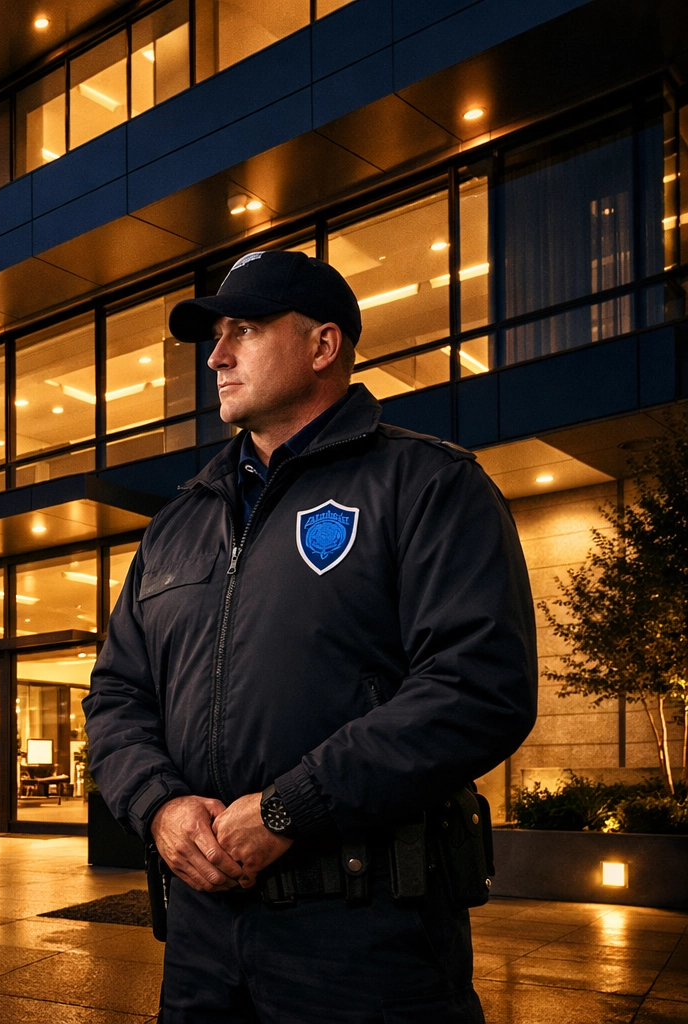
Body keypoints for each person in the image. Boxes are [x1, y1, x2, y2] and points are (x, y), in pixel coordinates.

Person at [83, 250, 537, 1023]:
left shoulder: (427, 485)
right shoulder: (179, 523)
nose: (217, 357)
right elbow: (117, 695)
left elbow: (478, 686)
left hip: (367, 942)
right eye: (216, 337)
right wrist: (159, 806)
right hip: (200, 945)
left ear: (323, 345)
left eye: (244, 330)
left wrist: (291, 807)